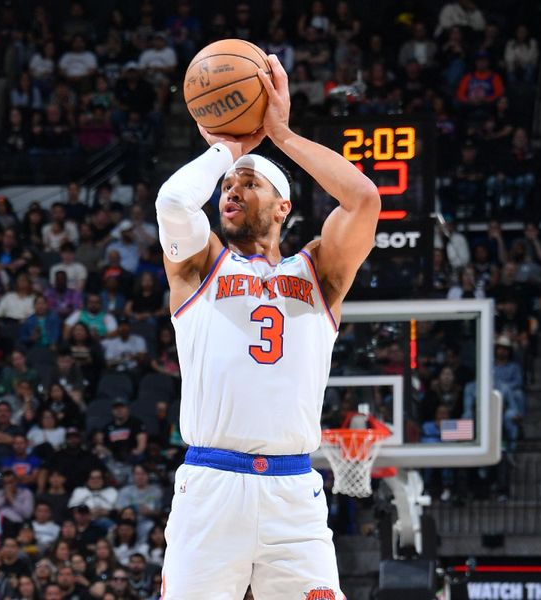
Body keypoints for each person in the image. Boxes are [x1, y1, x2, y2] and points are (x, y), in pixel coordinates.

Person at [154, 53, 379, 597]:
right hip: (212, 486)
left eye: (247, 183)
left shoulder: (319, 272)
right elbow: (173, 199)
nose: (230, 190)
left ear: (282, 207)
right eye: (227, 185)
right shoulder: (201, 266)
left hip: (293, 493)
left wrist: (279, 134)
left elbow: (364, 198)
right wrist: (228, 149)